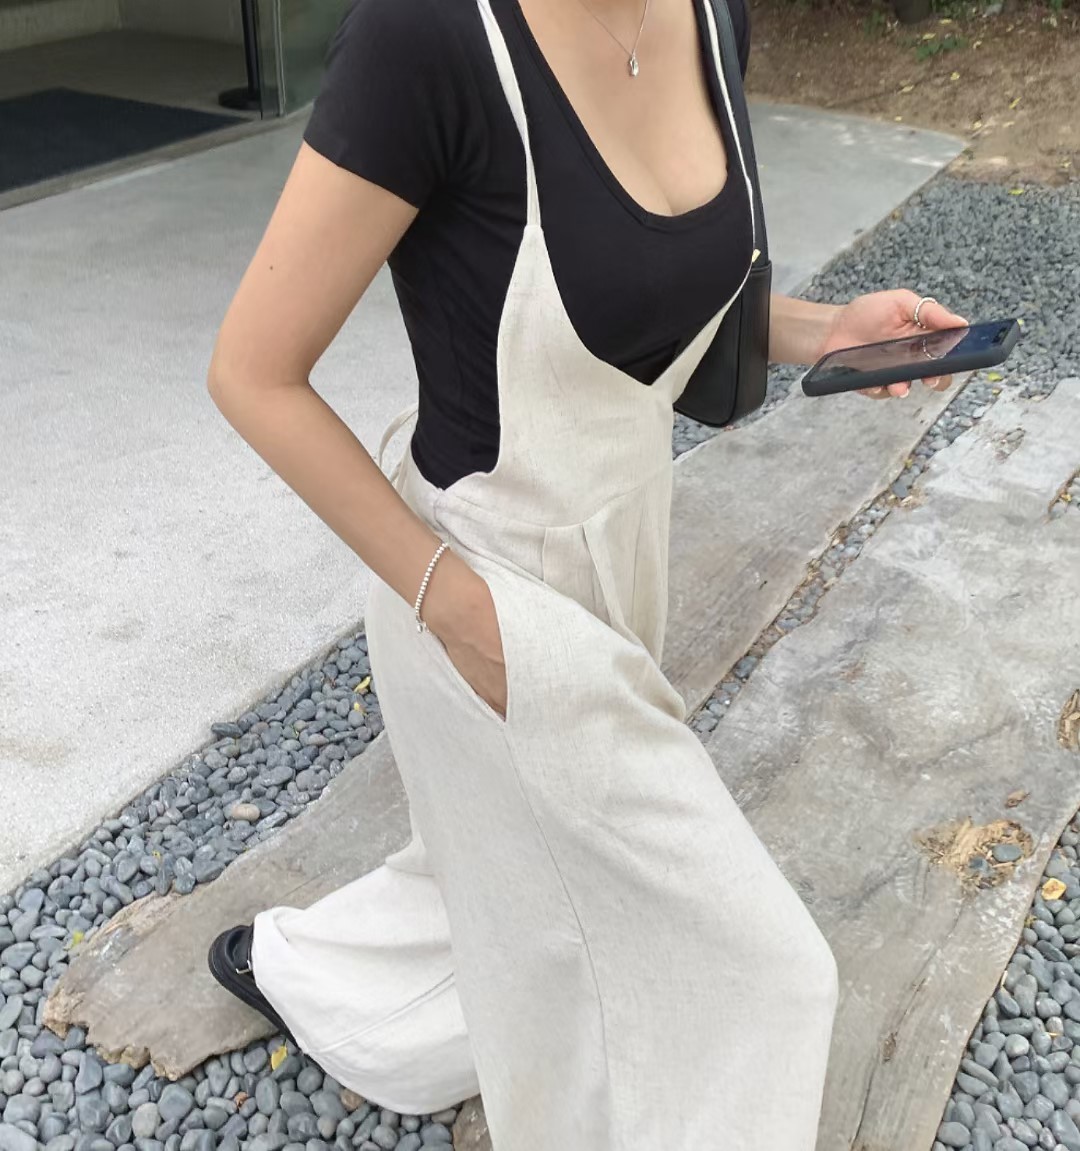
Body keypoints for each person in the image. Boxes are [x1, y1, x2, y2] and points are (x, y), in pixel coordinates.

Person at [204, 0, 964, 1144]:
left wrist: (824, 330)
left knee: (512, 867)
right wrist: (459, 609)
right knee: (759, 976)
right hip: (482, 582)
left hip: (626, 547)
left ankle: (298, 970)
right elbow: (253, 372)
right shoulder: (425, 39)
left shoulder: (709, 17)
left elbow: (647, 293)